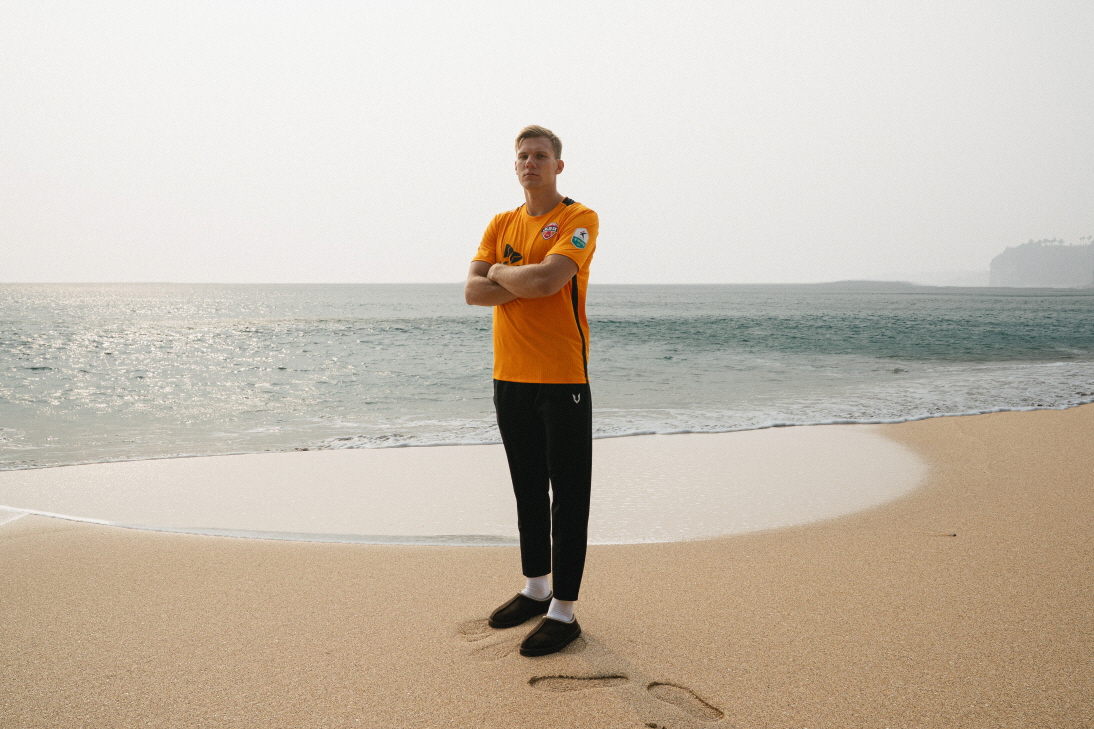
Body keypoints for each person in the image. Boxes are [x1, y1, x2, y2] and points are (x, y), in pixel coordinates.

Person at [464, 125, 598, 657]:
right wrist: (520, 276)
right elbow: (472, 293)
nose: (530, 163)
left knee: (568, 496)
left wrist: (501, 271)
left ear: (558, 165)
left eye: (540, 155)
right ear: (515, 165)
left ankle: (564, 612)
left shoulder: (579, 219)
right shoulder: (501, 222)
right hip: (510, 377)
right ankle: (536, 588)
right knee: (527, 489)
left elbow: (548, 282)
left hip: (563, 378)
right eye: (523, 156)